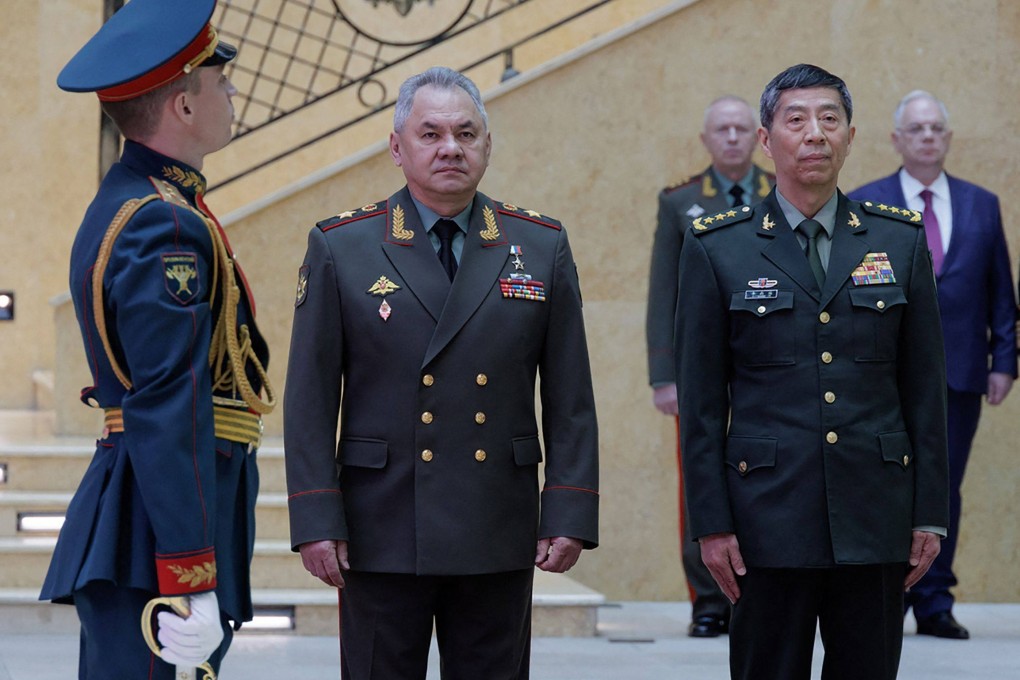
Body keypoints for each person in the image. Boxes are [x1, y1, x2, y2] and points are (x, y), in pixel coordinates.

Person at [284, 66, 599, 679]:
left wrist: (568, 508)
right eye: (430, 134)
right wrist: (316, 518)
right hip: (382, 525)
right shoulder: (342, 247)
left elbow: (570, 395)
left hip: (495, 522)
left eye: (466, 132)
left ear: (487, 145)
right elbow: (310, 400)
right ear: (397, 148)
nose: (450, 147)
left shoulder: (538, 245)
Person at [674, 64, 950, 680]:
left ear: (852, 137)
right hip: (765, 521)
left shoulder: (898, 241)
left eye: (830, 119)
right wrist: (711, 525)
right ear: (767, 142)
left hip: (874, 516)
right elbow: (699, 405)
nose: (815, 134)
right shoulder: (719, 247)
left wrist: (929, 511)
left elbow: (925, 390)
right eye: (795, 120)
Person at [39, 1, 276, 677]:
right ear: (183, 107)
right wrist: (191, 575)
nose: (231, 94)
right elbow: (169, 402)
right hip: (154, 532)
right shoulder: (160, 224)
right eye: (219, 83)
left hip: (152, 515)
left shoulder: (143, 203)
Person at [848, 90, 1016, 640]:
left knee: (945, 486)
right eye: (915, 128)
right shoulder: (866, 203)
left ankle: (935, 600)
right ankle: (885, 592)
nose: (926, 136)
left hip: (962, 368)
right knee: (886, 481)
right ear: (896, 139)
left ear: (947, 138)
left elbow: (1000, 289)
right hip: (883, 371)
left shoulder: (980, 203)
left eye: (936, 128)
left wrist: (1004, 361)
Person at [645, 95, 774, 638]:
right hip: (698, 364)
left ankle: (763, 583)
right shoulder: (680, 202)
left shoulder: (782, 191)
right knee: (699, 474)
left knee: (766, 473)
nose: (732, 138)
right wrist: (664, 374)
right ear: (705, 140)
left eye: (742, 129)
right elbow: (663, 292)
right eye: (721, 129)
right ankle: (706, 596)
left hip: (763, 361)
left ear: (759, 137)